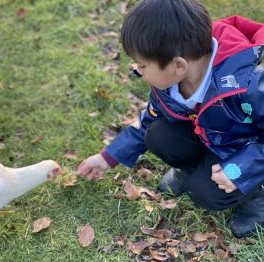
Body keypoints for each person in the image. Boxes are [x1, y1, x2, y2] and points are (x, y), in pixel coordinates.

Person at [77, 0, 264, 238]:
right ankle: (189, 169)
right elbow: (149, 119)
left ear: (178, 65)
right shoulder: (171, 83)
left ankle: (256, 196)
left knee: (205, 193)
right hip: (207, 137)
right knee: (157, 134)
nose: (137, 70)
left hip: (242, 150)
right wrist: (108, 157)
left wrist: (244, 169)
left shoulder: (247, 85)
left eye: (143, 65)